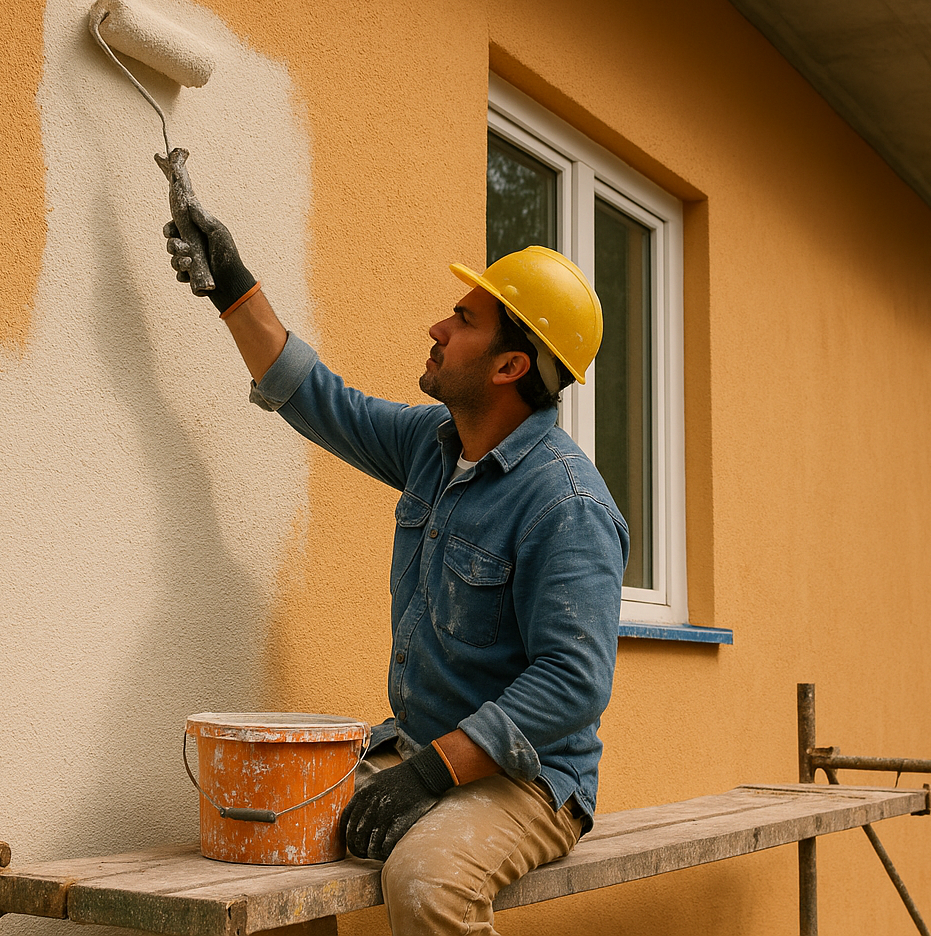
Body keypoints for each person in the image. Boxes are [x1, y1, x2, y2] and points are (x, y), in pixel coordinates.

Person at [163, 177, 628, 936]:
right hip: (422, 753)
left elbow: (573, 684)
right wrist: (233, 286)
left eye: (466, 319)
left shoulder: (566, 505)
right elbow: (316, 399)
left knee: (426, 881)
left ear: (510, 367)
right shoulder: (431, 447)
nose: (439, 326)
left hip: (529, 779)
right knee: (277, 827)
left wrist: (431, 771)